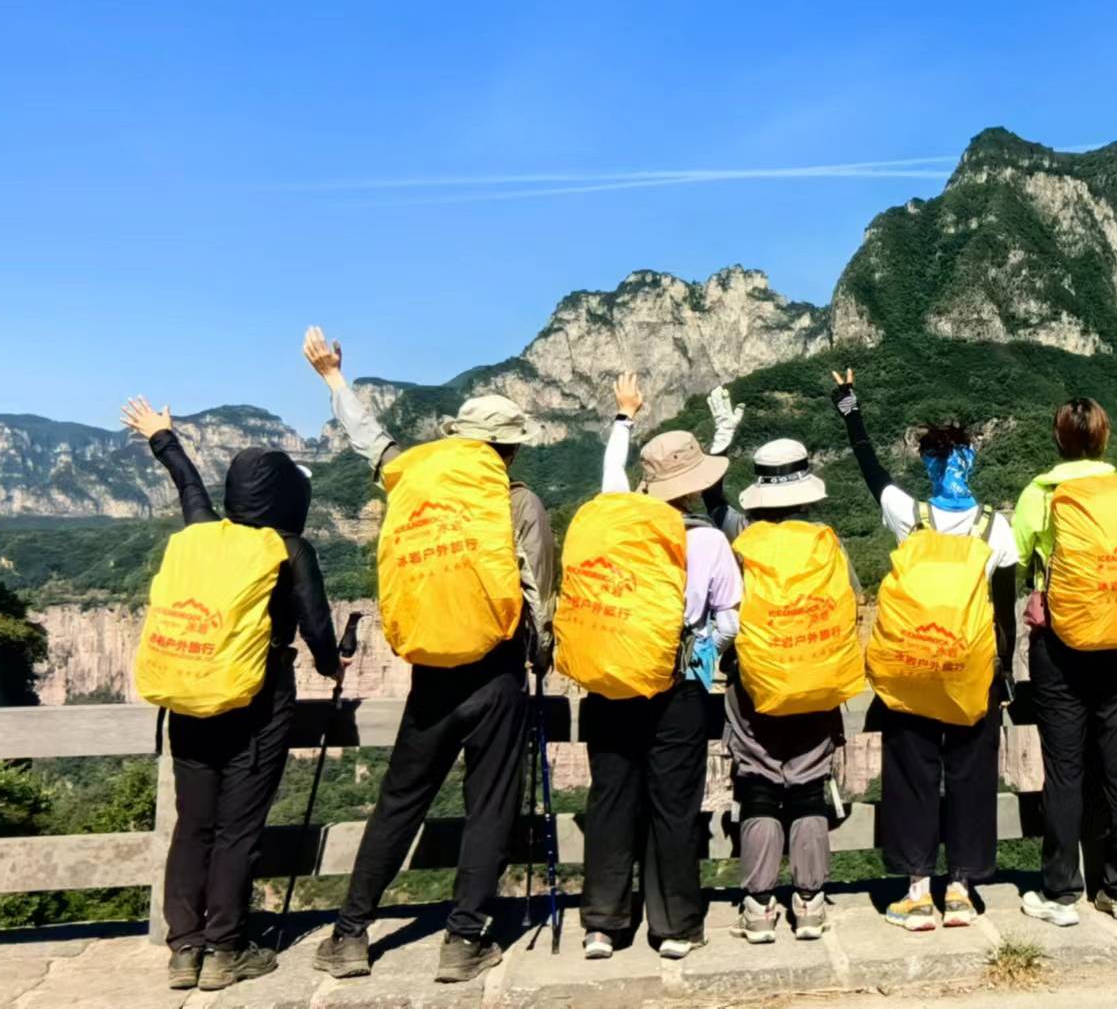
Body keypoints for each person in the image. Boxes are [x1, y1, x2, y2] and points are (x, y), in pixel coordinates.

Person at [300, 329, 552, 985]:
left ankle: (349, 935)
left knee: (399, 802)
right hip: (496, 673)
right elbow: (536, 592)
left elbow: (374, 443)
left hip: (432, 673)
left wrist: (333, 379)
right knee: (490, 805)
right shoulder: (517, 501)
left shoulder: (416, 481)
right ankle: (463, 942)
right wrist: (540, 655)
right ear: (510, 448)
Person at [119, 399, 343, 992]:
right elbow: (317, 628)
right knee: (238, 827)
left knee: (193, 824)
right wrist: (332, 664)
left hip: (190, 697)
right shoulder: (289, 549)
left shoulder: (202, 534)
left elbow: (189, 487)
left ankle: (184, 949)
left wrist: (163, 436)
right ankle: (225, 949)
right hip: (259, 702)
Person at [830, 369, 1021, 932]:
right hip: (972, 671)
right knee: (970, 774)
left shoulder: (908, 516)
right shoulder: (995, 528)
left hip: (913, 668)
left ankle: (916, 893)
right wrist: (1003, 672)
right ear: (970, 466)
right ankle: (960, 888)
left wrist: (850, 410)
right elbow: (1004, 614)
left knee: (912, 773)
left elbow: (870, 469)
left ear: (932, 469)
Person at [583, 372, 745, 960]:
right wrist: (701, 654)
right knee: (673, 805)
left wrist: (625, 416)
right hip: (678, 683)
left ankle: (602, 924)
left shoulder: (618, 524)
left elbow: (610, 475)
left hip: (613, 679)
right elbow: (730, 621)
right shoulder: (708, 541)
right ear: (695, 487)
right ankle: (675, 926)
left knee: (611, 799)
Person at [1012, 351, 1117, 926]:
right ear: (1103, 439)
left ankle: (1061, 893)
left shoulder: (1040, 492)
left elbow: (1018, 554)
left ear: (1058, 439)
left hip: (1060, 645)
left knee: (1065, 769)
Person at [722, 436, 850, 946]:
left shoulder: (742, 544)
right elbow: (848, 603)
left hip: (754, 688)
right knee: (808, 790)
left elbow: (726, 614)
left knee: (759, 789)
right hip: (816, 682)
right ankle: (810, 903)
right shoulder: (826, 543)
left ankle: (758, 908)